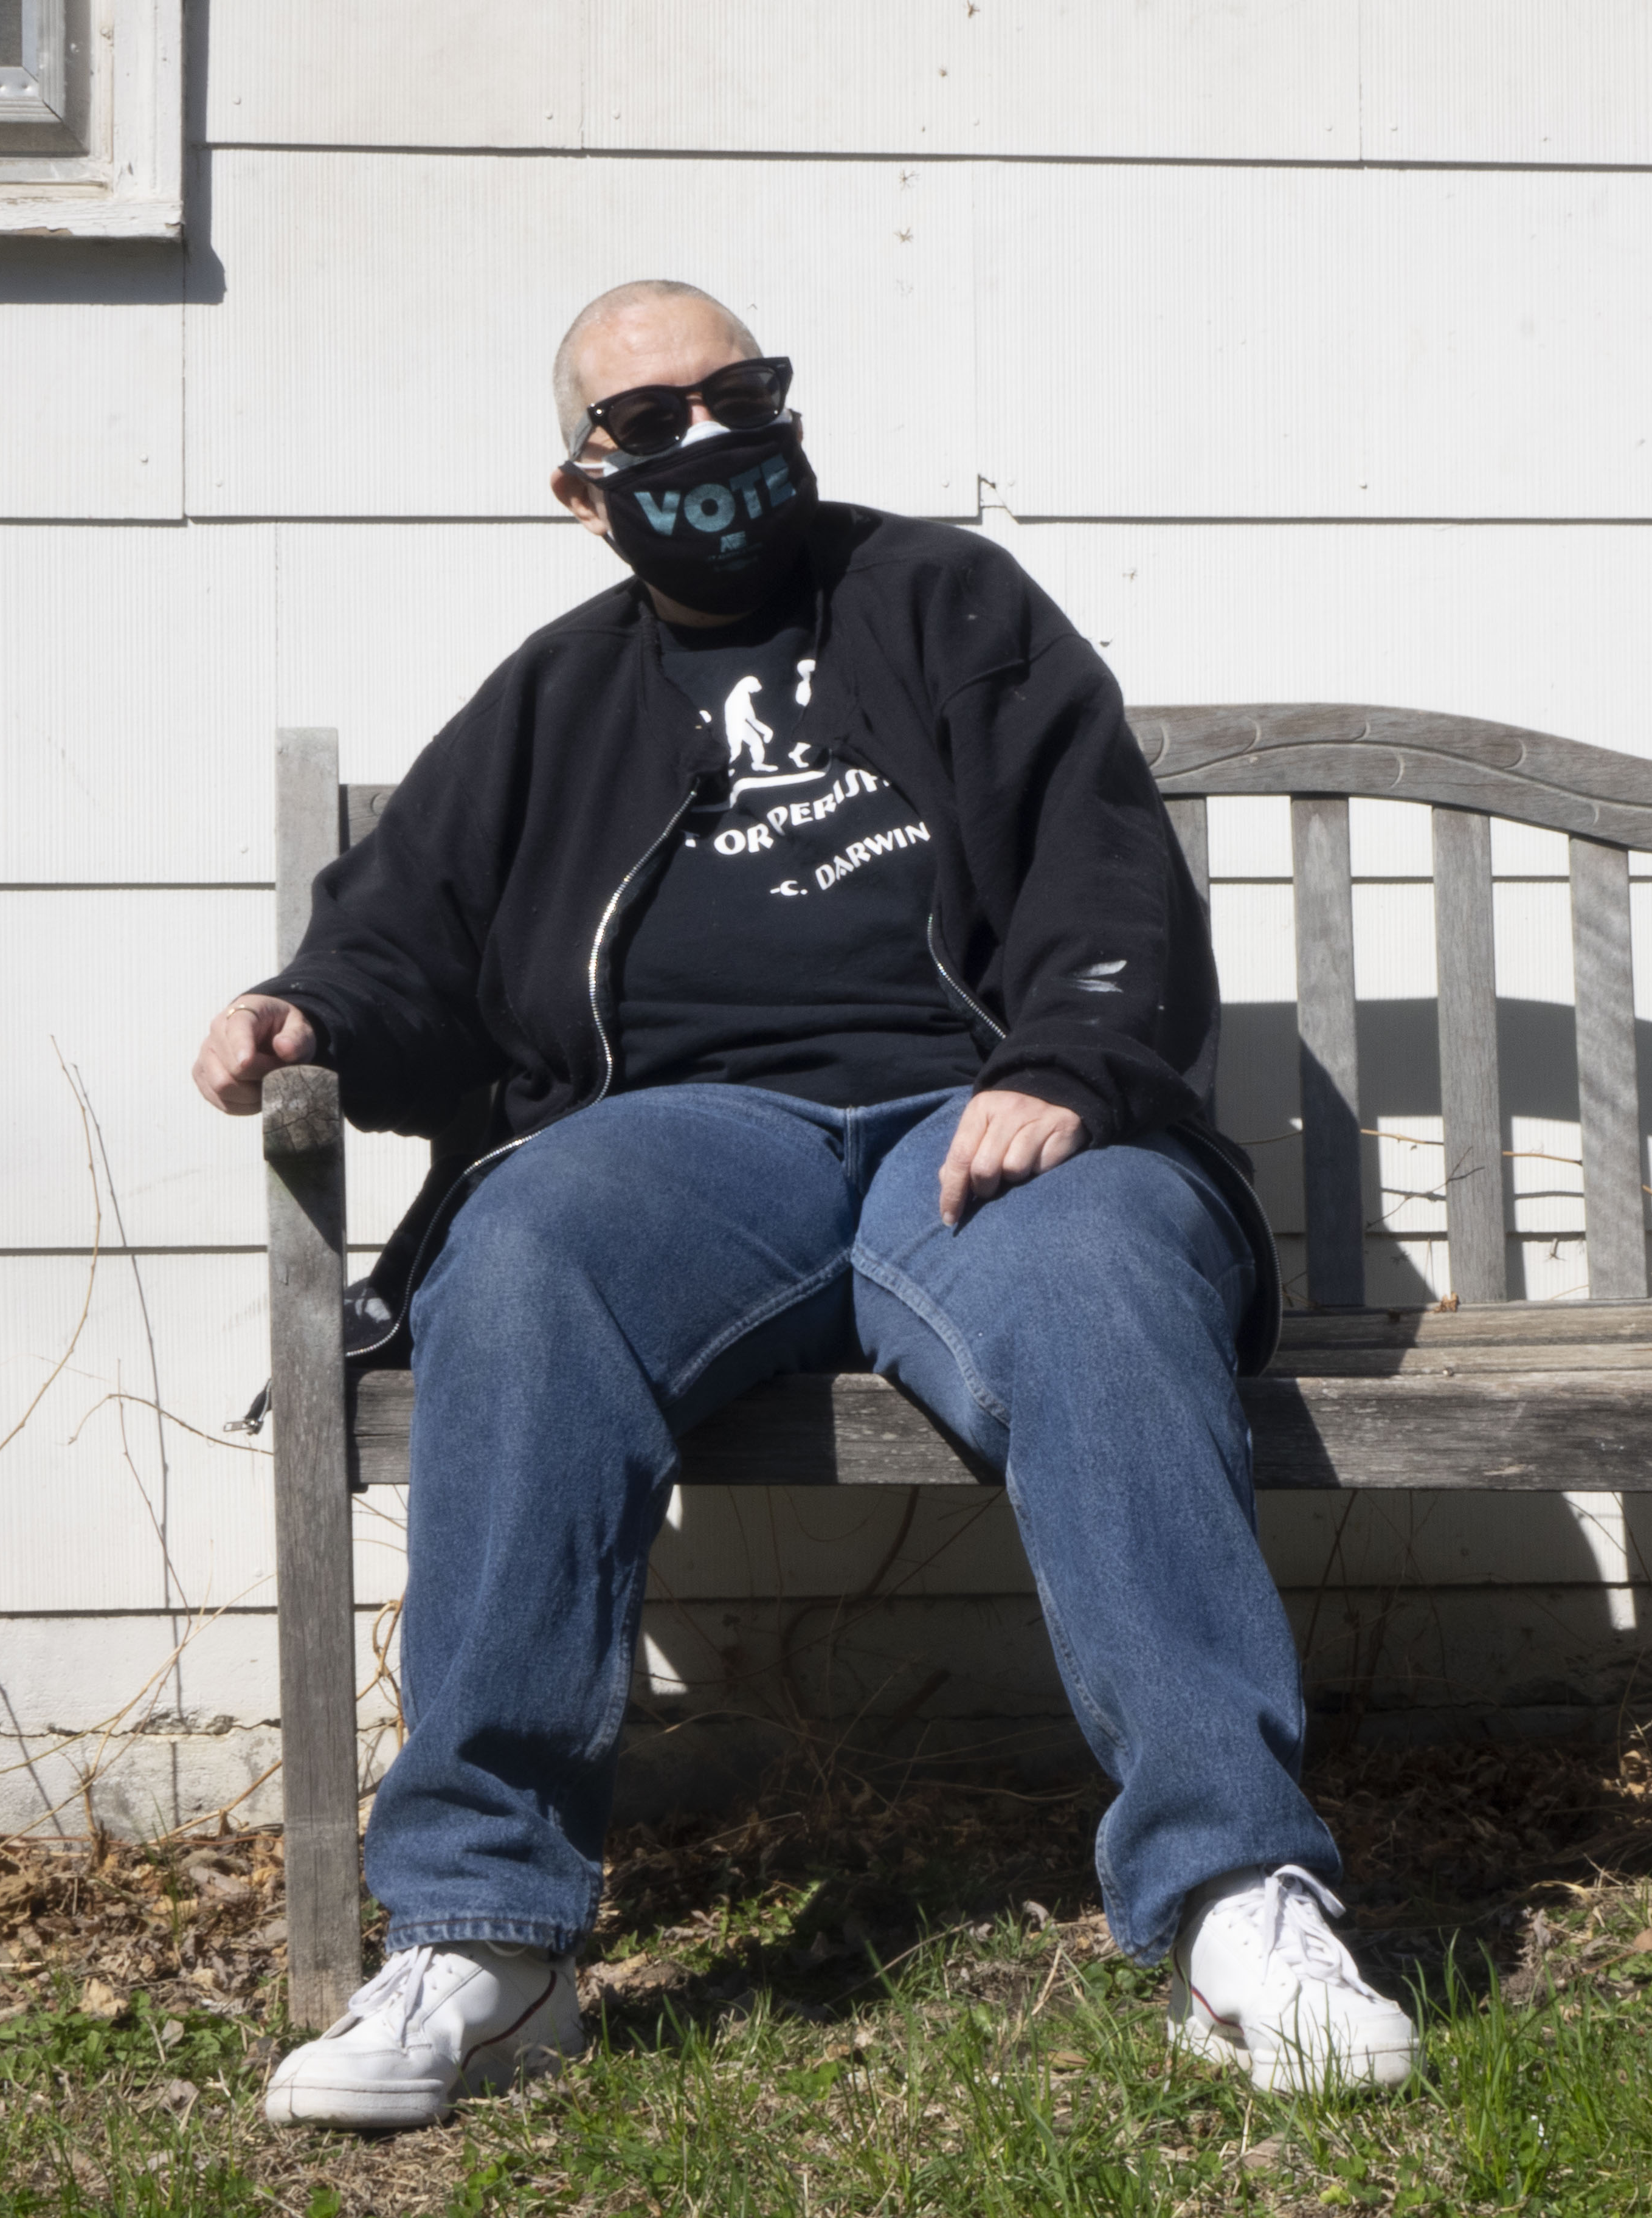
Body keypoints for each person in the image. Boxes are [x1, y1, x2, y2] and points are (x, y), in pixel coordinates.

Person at [192, 280, 1417, 2129]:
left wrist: (1066, 1062)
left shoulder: (943, 601)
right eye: (651, 421)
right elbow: (408, 928)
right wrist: (316, 1011)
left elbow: (1106, 865)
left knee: (1104, 1276)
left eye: (738, 392)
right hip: (694, 1139)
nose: (707, 438)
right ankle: (483, 1939)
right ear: (581, 488)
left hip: (976, 1111)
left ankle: (1241, 1894)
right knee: (520, 1264)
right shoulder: (554, 700)